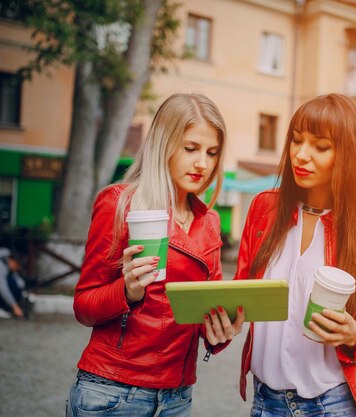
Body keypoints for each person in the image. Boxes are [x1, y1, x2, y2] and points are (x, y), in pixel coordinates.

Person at [66, 93, 244, 417]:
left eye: (212, 152)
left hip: (177, 398)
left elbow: (204, 320)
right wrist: (127, 291)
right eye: (190, 148)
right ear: (164, 143)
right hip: (112, 392)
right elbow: (83, 306)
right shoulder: (119, 203)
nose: (202, 163)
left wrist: (222, 333)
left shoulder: (210, 222)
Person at [234, 93, 356, 417]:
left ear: (348, 155)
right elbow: (239, 295)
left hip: (330, 405)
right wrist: (223, 324)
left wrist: (355, 334)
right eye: (296, 140)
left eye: (320, 146)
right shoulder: (263, 210)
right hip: (264, 402)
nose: (301, 154)